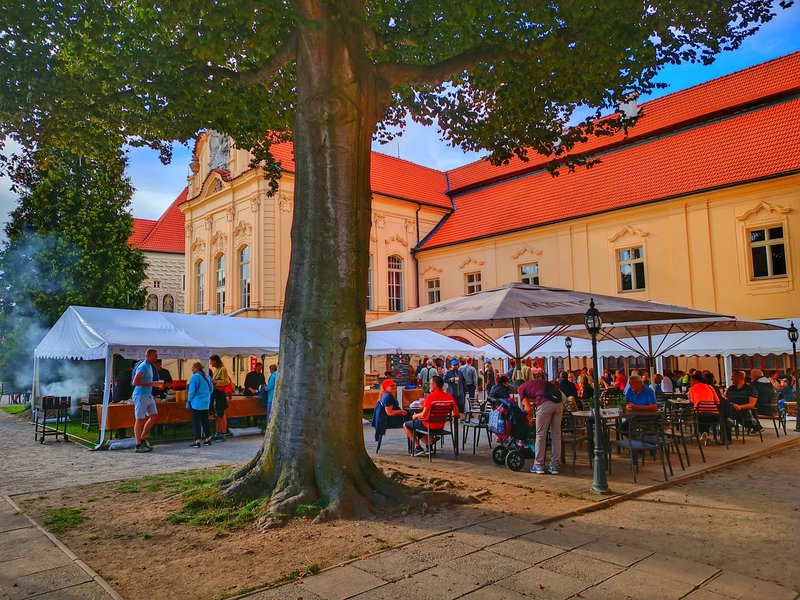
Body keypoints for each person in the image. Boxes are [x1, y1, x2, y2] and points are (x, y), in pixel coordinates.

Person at [517, 370, 564, 475]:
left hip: (545, 404)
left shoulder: (521, 388)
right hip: (559, 403)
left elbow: (528, 409)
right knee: (556, 435)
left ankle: (538, 466)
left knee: (540, 435)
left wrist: (530, 419)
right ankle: (554, 466)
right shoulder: (536, 383)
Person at [403, 376, 459, 456]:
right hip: (440, 426)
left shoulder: (430, 397)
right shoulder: (449, 397)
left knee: (406, 425)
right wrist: (445, 416)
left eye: (430, 383)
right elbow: (456, 413)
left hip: (428, 425)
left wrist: (415, 416)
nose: (429, 385)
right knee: (422, 424)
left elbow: (423, 414)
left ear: (434, 385)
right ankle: (429, 447)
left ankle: (418, 447)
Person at [131, 348, 163, 453]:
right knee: (139, 420)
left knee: (154, 416)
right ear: (148, 356)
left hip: (148, 395)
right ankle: (138, 444)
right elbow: (135, 382)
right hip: (140, 395)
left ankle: (142, 438)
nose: (156, 357)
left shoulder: (150, 366)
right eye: (155, 355)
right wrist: (152, 384)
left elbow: (147, 380)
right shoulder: (143, 366)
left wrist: (155, 384)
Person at [688, 371, 730, 443]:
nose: (690, 382)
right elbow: (717, 401)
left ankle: (704, 434)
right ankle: (705, 435)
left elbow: (692, 401)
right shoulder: (709, 387)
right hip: (714, 415)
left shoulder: (692, 389)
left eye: (691, 380)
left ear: (696, 380)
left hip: (700, 415)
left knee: (698, 416)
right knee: (706, 415)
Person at [187, 361, 214, 447]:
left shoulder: (195, 377)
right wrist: (206, 396)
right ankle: (208, 439)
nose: (191, 369)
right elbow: (211, 389)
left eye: (192, 368)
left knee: (196, 422)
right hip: (206, 403)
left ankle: (197, 441)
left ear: (196, 368)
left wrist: (189, 400)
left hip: (196, 403)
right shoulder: (207, 377)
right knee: (205, 421)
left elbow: (192, 391)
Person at [209, 355, 231, 441]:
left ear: (215, 361)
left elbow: (226, 381)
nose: (210, 363)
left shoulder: (223, 369)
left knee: (221, 414)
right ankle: (218, 432)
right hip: (215, 393)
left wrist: (215, 382)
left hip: (220, 394)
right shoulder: (216, 370)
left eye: (211, 361)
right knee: (216, 414)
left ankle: (223, 434)